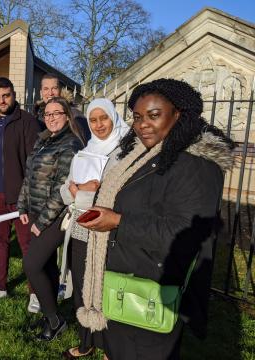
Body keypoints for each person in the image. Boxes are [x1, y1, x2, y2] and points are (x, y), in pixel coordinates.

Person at [76, 79, 234, 360]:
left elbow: (184, 234)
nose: (142, 124)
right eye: (137, 117)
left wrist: (118, 222)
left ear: (179, 115)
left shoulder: (195, 166)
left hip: (151, 291)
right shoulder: (139, 156)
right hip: (121, 283)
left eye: (153, 115)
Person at [59, 98, 129, 358]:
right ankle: (86, 340)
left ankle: (110, 345)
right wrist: (77, 191)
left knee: (103, 287)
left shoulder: (123, 151)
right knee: (80, 283)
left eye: (104, 118)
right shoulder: (87, 149)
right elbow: (66, 187)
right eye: (93, 120)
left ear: (113, 118)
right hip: (80, 227)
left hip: (106, 231)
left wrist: (90, 192)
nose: (99, 125)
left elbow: (119, 193)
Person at [18, 97, 83, 340]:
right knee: (45, 265)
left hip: (56, 216)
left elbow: (61, 188)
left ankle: (55, 320)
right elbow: (29, 178)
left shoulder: (70, 144)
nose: (52, 117)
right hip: (36, 211)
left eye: (57, 113)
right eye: (47, 114)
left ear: (67, 115)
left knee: (31, 264)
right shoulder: (43, 141)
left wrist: (42, 222)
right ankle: (50, 316)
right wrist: (23, 206)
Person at [0, 77, 40, 304]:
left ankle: (36, 292)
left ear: (13, 95)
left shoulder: (28, 121)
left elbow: (34, 161)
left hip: (21, 196)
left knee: (28, 245)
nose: (2, 100)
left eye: (6, 95)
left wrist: (28, 196)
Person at [33, 73, 91, 144]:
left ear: (60, 90)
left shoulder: (74, 114)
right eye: (46, 89)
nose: (50, 93)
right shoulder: (37, 115)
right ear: (41, 92)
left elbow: (84, 142)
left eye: (54, 88)